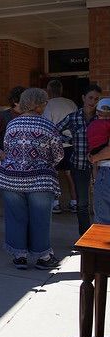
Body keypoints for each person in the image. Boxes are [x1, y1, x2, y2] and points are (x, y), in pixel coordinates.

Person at [0, 88, 63, 270]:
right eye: (45, 102)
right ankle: (44, 257)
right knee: (40, 218)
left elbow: (7, 149)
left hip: (10, 179)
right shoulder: (48, 126)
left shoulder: (12, 124)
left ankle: (20, 256)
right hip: (40, 180)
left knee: (15, 217)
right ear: (39, 104)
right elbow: (58, 155)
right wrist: (43, 163)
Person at [56, 83, 103, 236]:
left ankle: (101, 236)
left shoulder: (102, 117)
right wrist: (69, 140)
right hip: (79, 164)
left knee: (101, 202)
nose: (93, 101)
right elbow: (54, 130)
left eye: (96, 99)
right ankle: (85, 237)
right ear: (83, 98)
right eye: (90, 97)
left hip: (101, 165)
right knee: (82, 204)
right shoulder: (74, 116)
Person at [43, 79, 78, 214]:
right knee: (70, 174)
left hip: (54, 145)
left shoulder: (48, 105)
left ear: (49, 91)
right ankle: (74, 202)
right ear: (61, 90)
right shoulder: (71, 103)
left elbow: (48, 126)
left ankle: (56, 203)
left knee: (54, 174)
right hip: (71, 144)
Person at [89, 98, 110, 224]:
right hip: (104, 170)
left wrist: (94, 158)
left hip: (106, 170)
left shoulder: (97, 126)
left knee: (103, 220)